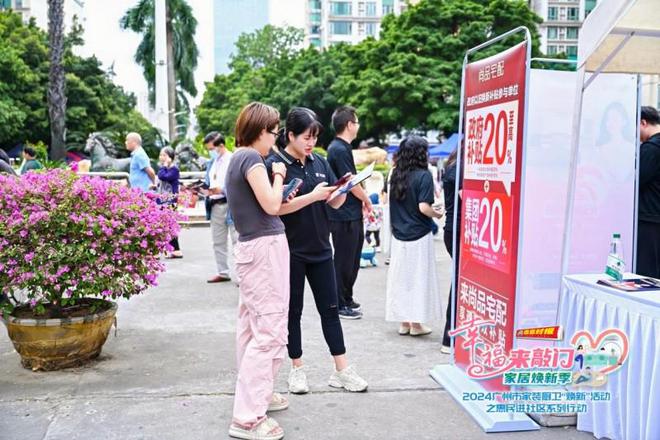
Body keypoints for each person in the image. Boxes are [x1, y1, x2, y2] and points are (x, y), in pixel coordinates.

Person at [266, 107, 369, 396]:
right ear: (290, 135)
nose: (310, 143)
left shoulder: (320, 162)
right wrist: (312, 197)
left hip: (322, 248)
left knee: (331, 310)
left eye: (314, 137)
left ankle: (342, 369)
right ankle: (297, 369)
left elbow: (332, 204)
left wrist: (342, 190)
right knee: (293, 313)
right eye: (305, 137)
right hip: (291, 251)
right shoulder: (276, 165)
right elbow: (276, 208)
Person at [226, 102, 290, 440]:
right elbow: (271, 204)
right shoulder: (251, 158)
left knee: (253, 328)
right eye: (274, 133)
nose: (275, 141)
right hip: (263, 251)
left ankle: (255, 398)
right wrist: (278, 175)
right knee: (268, 330)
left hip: (256, 249)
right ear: (260, 130)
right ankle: (248, 417)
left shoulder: (240, 157)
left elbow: (267, 206)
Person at [385, 136, 444, 336]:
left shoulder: (394, 174)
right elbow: (423, 207)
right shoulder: (424, 175)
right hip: (419, 234)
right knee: (419, 279)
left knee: (401, 279)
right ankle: (417, 325)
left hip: (399, 235)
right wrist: (437, 214)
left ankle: (404, 322)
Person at [326, 106, 373, 319]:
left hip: (350, 212)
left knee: (352, 258)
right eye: (357, 121)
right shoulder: (338, 148)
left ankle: (346, 296)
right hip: (343, 213)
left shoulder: (342, 147)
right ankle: (339, 302)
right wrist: (366, 200)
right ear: (349, 125)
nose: (358, 125)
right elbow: (351, 182)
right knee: (344, 259)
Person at [202, 131, 237, 283]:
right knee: (218, 241)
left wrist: (222, 190)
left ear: (220, 146)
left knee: (238, 240)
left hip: (231, 204)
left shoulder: (233, 159)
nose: (210, 152)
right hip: (215, 203)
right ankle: (222, 272)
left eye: (211, 149)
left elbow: (237, 183)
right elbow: (209, 182)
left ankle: (242, 276)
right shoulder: (212, 163)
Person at [440, 149, 460, 354]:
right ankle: (449, 335)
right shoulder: (460, 168)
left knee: (461, 282)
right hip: (458, 230)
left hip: (452, 229)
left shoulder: (453, 165)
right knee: (460, 283)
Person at [637, 106, 660, 277]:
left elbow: (636, 182)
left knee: (647, 275)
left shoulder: (650, 149)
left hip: (649, 219)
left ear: (643, 122)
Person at [155, 146, 183, 258]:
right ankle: (174, 250)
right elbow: (161, 181)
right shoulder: (164, 168)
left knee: (169, 226)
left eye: (164, 155)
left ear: (170, 157)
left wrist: (165, 165)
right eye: (161, 155)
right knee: (163, 226)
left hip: (169, 201)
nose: (161, 157)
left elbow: (163, 177)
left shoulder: (174, 169)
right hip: (162, 200)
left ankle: (175, 250)